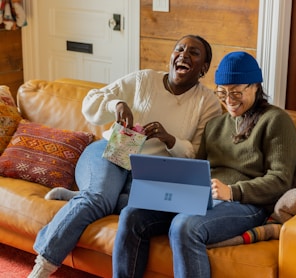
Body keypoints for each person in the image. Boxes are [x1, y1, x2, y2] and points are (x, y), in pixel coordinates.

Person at [27, 35, 222, 278]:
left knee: (139, 205)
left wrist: (169, 139)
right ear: (171, 57)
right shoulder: (143, 79)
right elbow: (91, 102)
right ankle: (42, 267)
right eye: (179, 49)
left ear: (203, 68)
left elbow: (197, 154)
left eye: (193, 53)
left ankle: (79, 197)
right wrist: (116, 104)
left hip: (151, 171)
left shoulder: (208, 103)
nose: (183, 55)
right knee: (98, 199)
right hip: (111, 150)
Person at [112, 51, 296, 278]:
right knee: (132, 214)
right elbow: (199, 169)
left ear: (255, 86)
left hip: (247, 204)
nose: (229, 100)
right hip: (205, 197)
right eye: (222, 92)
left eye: (236, 92)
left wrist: (233, 191)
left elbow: (281, 180)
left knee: (184, 226)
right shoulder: (215, 125)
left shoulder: (276, 120)